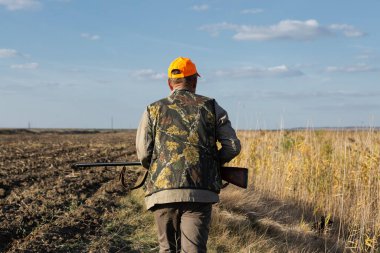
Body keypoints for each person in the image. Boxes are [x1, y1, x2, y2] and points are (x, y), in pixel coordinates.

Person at [136, 57, 241, 252]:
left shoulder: (153, 109)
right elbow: (232, 146)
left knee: (167, 249)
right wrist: (210, 163)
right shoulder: (211, 106)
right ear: (194, 81)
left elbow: (144, 153)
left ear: (170, 83)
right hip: (199, 192)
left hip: (162, 191)